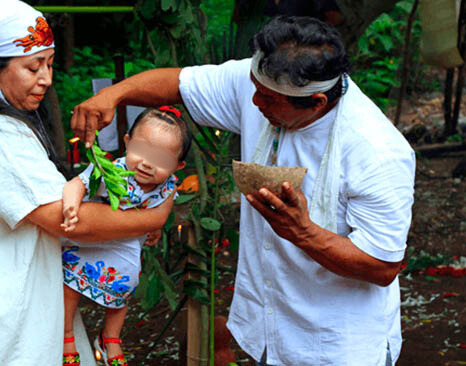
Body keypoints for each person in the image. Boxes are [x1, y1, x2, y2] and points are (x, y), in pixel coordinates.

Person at [70, 16, 415, 366]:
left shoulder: (377, 151)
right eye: (253, 87)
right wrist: (114, 94)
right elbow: (177, 83)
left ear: (317, 104)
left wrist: (303, 233)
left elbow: (382, 266)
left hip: (336, 345)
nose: (253, 102)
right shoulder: (266, 81)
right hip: (267, 329)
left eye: (266, 98)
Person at [0, 1, 173, 364]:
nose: (45, 78)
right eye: (32, 67)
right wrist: (151, 219)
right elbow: (66, 218)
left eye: (48, 64)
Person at [61, 106, 191, 366]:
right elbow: (78, 183)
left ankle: (111, 336)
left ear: (178, 166)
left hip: (128, 245)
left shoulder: (167, 186)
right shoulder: (111, 169)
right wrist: (71, 206)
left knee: (127, 283)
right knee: (71, 285)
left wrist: (154, 229)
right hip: (93, 239)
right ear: (127, 143)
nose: (147, 163)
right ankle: (65, 334)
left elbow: (163, 212)